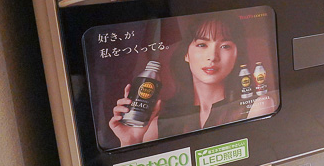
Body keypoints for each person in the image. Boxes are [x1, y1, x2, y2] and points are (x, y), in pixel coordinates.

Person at [108, 17, 277, 146]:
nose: (212, 57)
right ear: (186, 54)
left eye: (225, 46)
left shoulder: (256, 106)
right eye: (202, 45)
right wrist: (132, 139)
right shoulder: (160, 122)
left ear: (237, 54)